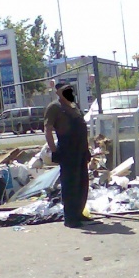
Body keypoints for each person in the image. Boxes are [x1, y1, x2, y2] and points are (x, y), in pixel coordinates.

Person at [45, 82, 95, 227]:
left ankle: (79, 213)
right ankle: (70, 218)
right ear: (58, 92)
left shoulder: (74, 106)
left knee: (82, 183)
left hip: (81, 149)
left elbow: (82, 128)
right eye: (65, 90)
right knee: (70, 184)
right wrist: (54, 150)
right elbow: (48, 130)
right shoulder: (54, 107)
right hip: (67, 150)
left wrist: (86, 148)